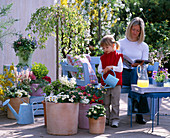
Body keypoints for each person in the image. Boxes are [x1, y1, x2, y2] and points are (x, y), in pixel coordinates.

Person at [118, 17, 149, 124]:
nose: (135, 32)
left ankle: (136, 103)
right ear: (129, 28)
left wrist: (138, 64)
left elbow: (144, 63)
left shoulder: (144, 46)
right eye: (133, 29)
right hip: (123, 73)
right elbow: (116, 60)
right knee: (136, 78)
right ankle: (139, 112)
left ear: (141, 32)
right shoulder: (121, 43)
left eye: (137, 30)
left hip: (137, 73)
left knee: (136, 72)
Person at [98, 35, 123, 127]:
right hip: (105, 83)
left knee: (115, 102)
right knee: (106, 102)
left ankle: (115, 119)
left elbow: (120, 69)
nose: (105, 50)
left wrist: (111, 67)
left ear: (113, 46)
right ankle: (106, 118)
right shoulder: (102, 58)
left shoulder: (118, 57)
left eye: (107, 47)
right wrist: (103, 70)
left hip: (116, 83)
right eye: (103, 48)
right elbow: (99, 70)